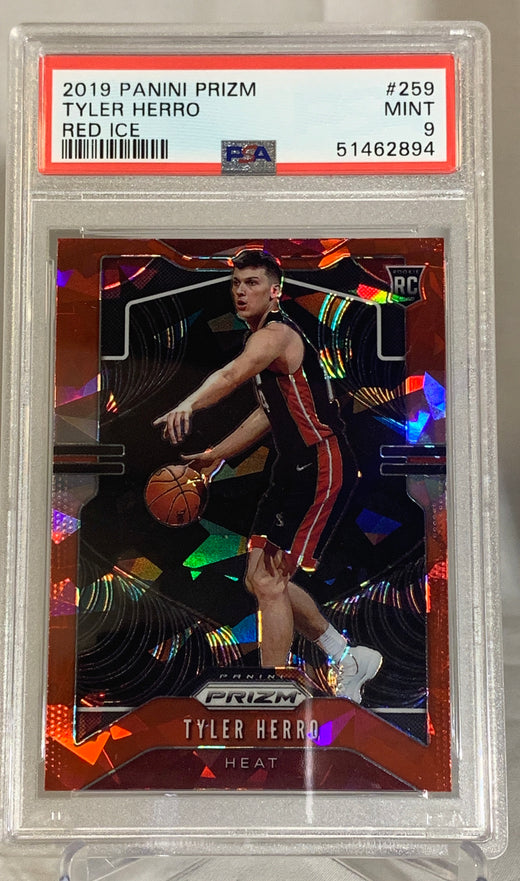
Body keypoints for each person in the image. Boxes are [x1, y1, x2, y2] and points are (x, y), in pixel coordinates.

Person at [154, 250, 382, 703]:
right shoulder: (262, 340)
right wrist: (217, 455)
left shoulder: (275, 335)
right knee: (258, 578)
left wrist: (188, 404)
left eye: (252, 283)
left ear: (275, 291)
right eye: (236, 283)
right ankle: (347, 655)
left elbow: (230, 375)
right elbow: (265, 414)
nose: (241, 291)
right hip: (292, 469)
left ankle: (274, 689)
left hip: (320, 462)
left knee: (268, 581)